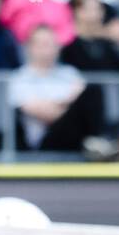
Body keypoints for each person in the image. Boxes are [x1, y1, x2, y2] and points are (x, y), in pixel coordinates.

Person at [8, 23, 104, 153]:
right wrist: (69, 102)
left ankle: (95, 143)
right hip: (44, 141)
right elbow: (48, 115)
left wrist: (59, 104)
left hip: (77, 137)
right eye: (42, 44)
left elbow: (85, 104)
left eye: (51, 44)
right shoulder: (19, 78)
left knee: (94, 90)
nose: (47, 50)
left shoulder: (70, 73)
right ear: (30, 47)